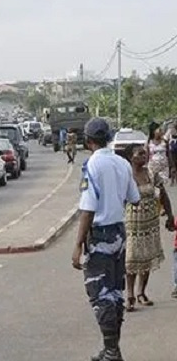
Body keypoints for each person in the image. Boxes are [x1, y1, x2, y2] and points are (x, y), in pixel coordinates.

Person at [72, 117, 140, 361]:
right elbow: (135, 198)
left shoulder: (92, 165)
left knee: (100, 294)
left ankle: (111, 350)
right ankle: (113, 348)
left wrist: (78, 244)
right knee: (115, 293)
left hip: (99, 235)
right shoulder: (122, 164)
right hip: (119, 233)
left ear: (88, 141)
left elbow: (88, 209)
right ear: (109, 138)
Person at [122, 143, 174, 312]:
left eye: (145, 154)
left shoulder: (151, 173)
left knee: (148, 258)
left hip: (150, 223)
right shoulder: (126, 176)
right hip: (132, 224)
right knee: (131, 259)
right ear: (131, 157)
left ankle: (141, 293)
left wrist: (170, 215)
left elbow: (163, 194)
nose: (144, 157)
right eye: (140, 154)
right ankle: (129, 296)